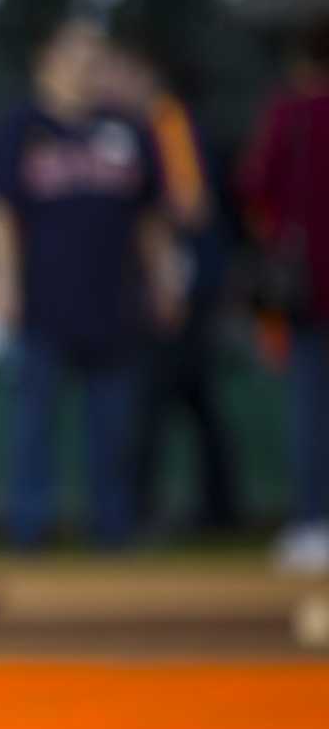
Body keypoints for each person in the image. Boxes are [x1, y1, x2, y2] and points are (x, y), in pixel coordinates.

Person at [0, 18, 180, 549]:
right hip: (42, 301)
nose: (86, 69)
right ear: (46, 63)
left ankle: (112, 531)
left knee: (113, 432)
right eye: (74, 57)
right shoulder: (19, 127)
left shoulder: (128, 129)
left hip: (114, 300)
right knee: (32, 426)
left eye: (95, 58)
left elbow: (150, 216)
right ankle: (28, 530)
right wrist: (2, 284)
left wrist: (164, 277)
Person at [99, 28, 240, 537]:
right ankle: (211, 510)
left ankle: (181, 511)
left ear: (141, 72)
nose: (105, 81)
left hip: (185, 285)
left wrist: (168, 275)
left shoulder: (165, 120)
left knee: (166, 401)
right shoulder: (139, 125)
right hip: (174, 283)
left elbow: (190, 206)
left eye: (114, 69)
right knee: (188, 401)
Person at [240, 20, 329, 573]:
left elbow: (255, 194)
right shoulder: (288, 112)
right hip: (307, 289)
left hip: (305, 287)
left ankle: (311, 524)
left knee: (309, 409)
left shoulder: (288, 113)